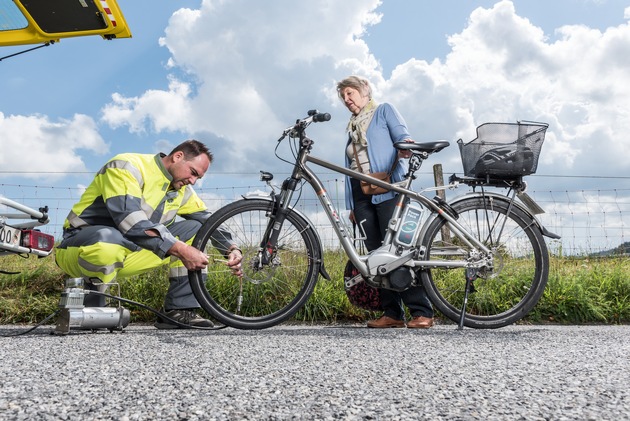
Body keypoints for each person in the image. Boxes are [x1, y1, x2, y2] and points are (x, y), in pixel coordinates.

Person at [55, 140, 243, 329]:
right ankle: (95, 307)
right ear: (178, 156)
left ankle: (179, 311)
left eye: (198, 178)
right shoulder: (126, 166)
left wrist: (231, 249)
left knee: (195, 229)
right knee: (108, 238)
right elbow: (129, 219)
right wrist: (180, 249)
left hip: (133, 251)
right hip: (81, 245)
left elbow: (208, 221)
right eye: (193, 173)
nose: (193, 181)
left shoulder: (182, 190)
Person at [337, 75, 434, 329]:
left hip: (389, 188)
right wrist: (352, 207)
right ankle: (392, 313)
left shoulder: (383, 111)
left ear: (364, 90)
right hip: (362, 196)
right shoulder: (352, 126)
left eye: (350, 93)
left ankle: (422, 311)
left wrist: (406, 147)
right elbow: (351, 167)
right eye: (343, 97)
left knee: (397, 252)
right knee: (375, 257)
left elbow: (402, 136)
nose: (347, 100)